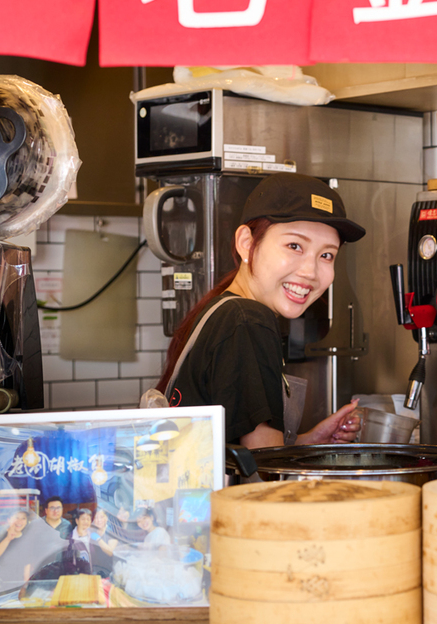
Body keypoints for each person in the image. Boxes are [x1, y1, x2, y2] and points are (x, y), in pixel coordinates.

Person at [156, 174, 366, 448]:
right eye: (295, 246)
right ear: (246, 242)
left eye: (327, 255)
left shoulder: (222, 309)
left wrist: (312, 440)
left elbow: (240, 454)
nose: (310, 272)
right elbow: (264, 469)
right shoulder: (248, 320)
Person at [61, 508, 94, 576]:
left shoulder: (93, 537)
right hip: (77, 578)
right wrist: (77, 574)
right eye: (83, 519)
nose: (86, 521)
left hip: (93, 576)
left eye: (88, 519)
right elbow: (67, 563)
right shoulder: (70, 539)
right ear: (77, 521)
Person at [89, 509, 119, 579]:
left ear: (106, 518)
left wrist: (98, 539)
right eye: (96, 517)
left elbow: (110, 552)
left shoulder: (112, 532)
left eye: (101, 517)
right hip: (96, 570)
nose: (99, 520)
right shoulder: (93, 531)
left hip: (109, 572)